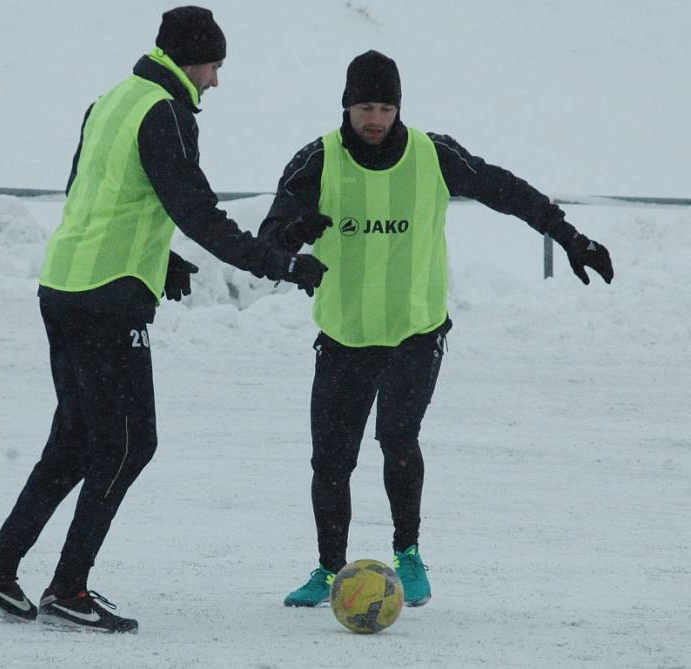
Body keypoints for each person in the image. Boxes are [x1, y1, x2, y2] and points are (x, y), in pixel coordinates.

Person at [0, 5, 326, 634]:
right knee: (128, 442)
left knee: (76, 439)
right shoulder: (167, 110)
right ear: (191, 60)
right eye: (213, 65)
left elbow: (98, 192)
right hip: (106, 300)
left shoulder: (112, 99)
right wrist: (275, 263)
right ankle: (69, 590)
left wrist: (161, 261)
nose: (215, 79)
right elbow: (196, 208)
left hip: (66, 285)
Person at [259, 50, 613, 608]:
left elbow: (504, 190)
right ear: (346, 107)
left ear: (398, 108)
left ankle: (409, 553)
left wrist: (569, 236)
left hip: (415, 333)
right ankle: (329, 569)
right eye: (364, 107)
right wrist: (292, 231)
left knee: (397, 441)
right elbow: (271, 234)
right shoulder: (316, 160)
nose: (375, 119)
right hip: (345, 334)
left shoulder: (432, 154)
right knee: (331, 459)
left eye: (385, 107)